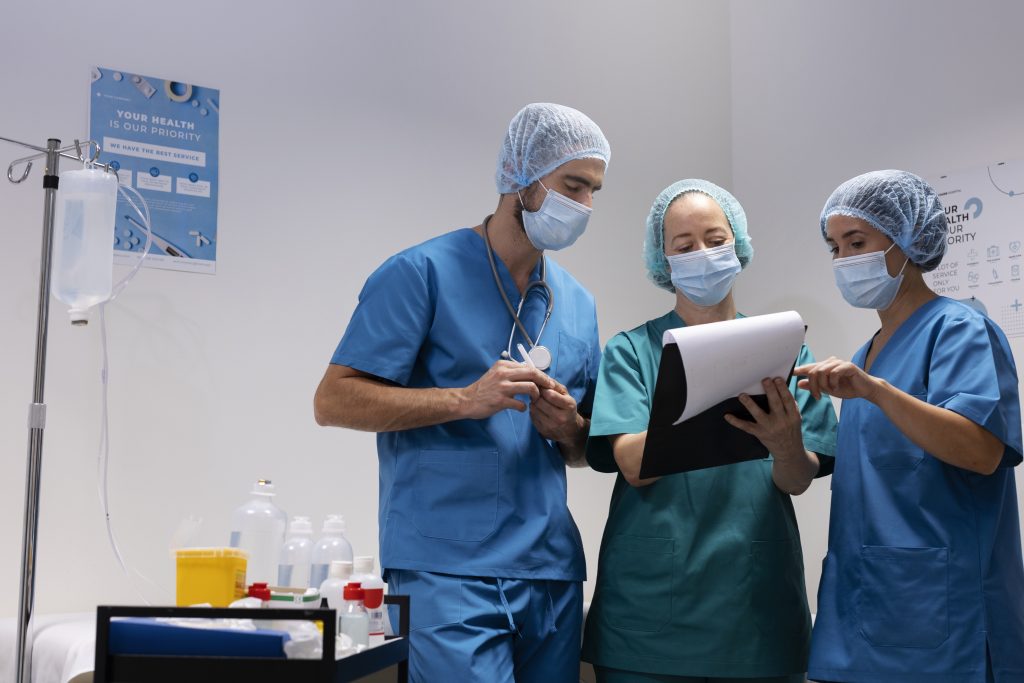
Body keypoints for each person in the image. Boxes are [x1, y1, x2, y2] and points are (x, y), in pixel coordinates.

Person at [313, 103, 610, 683]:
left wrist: (568, 428)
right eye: (573, 185)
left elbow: (582, 449)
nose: (585, 207)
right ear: (521, 175)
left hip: (549, 570)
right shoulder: (420, 272)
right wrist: (464, 400)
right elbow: (333, 400)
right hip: (447, 569)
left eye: (596, 191)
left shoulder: (579, 303)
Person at [580, 179, 838, 683]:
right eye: (684, 245)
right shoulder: (632, 351)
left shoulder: (785, 351)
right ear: (665, 261)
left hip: (754, 612)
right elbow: (634, 463)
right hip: (650, 621)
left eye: (716, 240)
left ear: (738, 246)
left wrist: (786, 446)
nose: (703, 253)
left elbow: (798, 477)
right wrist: (711, 391)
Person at [800, 170, 1024, 683]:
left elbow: (981, 450)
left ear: (907, 240)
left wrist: (876, 391)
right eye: (834, 248)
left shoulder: (959, 329)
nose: (844, 261)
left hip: (943, 617)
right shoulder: (866, 355)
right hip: (866, 608)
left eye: (857, 242)